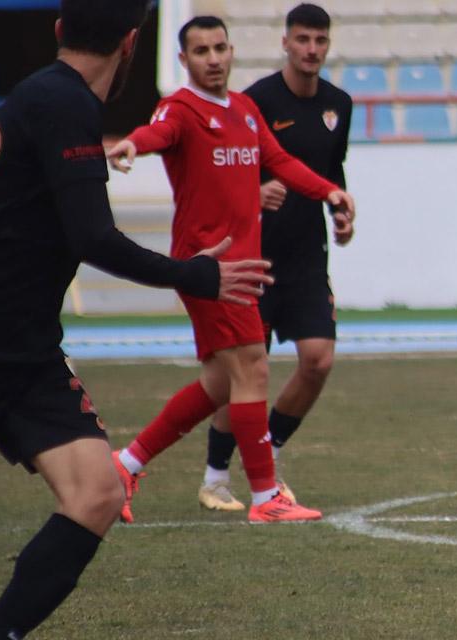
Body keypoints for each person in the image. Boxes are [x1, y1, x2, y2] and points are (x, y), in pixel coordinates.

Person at [0, 1, 274, 636]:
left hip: (25, 353)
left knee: (98, 492)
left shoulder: (37, 98)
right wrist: (196, 273)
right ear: (131, 43)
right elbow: (93, 237)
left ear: (60, 29)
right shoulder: (61, 105)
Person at [105, 15, 356, 524]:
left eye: (220, 48)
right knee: (253, 368)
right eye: (201, 51)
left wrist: (328, 190)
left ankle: (125, 465)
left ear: (231, 50)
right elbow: (158, 132)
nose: (214, 59)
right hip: (207, 266)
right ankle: (266, 497)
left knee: (221, 383)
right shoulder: (181, 108)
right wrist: (133, 143)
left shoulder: (243, 110)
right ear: (184, 60)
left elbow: (280, 161)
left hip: (243, 267)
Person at [196, 3, 354, 512]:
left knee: (318, 359)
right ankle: (215, 477)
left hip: (308, 256)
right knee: (244, 371)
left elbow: (332, 169)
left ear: (328, 45)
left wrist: (340, 211)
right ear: (285, 43)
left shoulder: (339, 105)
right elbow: (225, 170)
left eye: (320, 41)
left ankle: (268, 451)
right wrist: (255, 190)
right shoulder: (253, 102)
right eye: (302, 39)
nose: (311, 49)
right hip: (252, 258)